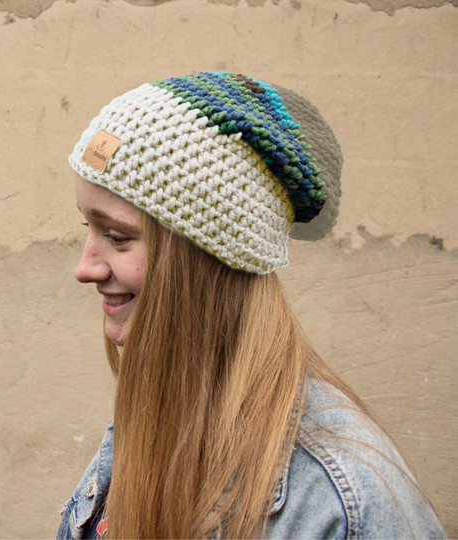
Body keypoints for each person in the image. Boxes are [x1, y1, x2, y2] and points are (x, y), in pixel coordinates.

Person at [56, 72, 446, 539]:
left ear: (208, 257)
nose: (85, 268)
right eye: (89, 228)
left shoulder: (341, 501)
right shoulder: (158, 419)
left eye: (118, 237)